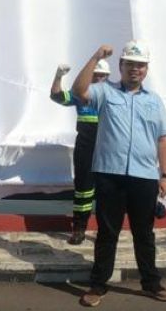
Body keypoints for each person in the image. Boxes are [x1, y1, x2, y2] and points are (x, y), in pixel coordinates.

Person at [72, 41, 166, 307]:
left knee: (144, 233)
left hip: (144, 177)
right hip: (110, 174)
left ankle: (151, 283)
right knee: (107, 232)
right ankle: (98, 285)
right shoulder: (105, 92)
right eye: (130, 64)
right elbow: (78, 90)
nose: (135, 69)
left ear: (146, 70)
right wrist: (95, 57)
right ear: (120, 66)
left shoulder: (154, 101)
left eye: (140, 65)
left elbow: (163, 138)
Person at [50, 58, 111, 245]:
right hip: (85, 145)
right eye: (96, 75)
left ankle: (106, 231)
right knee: (83, 189)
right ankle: (79, 228)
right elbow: (57, 96)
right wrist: (58, 76)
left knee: (108, 190)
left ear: (108, 77)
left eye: (102, 76)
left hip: (108, 146)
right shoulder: (80, 94)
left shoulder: (114, 94)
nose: (99, 78)